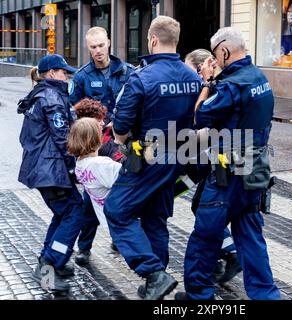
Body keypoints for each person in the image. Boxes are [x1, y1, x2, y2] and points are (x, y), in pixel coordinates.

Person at [176, 27, 281, 300]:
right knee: (250, 237)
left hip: (228, 175)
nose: (215, 60)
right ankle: (266, 295)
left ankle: (199, 295)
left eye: (215, 55)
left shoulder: (231, 86)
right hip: (254, 172)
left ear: (224, 51)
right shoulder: (259, 78)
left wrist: (208, 83)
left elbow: (201, 115)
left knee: (205, 235)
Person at [103, 16, 201, 300]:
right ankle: (155, 282)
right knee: (155, 218)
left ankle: (153, 273)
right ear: (176, 41)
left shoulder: (142, 76)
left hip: (147, 158)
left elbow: (121, 127)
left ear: (153, 40)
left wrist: (121, 139)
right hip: (180, 157)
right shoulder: (193, 77)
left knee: (117, 210)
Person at [17, 54, 85, 292]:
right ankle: (49, 265)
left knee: (63, 213)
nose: (67, 76)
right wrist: (73, 166)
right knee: (76, 212)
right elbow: (63, 137)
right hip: (50, 168)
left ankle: (53, 256)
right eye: (63, 72)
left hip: (44, 167)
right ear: (52, 73)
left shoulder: (41, 95)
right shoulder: (51, 96)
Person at [69, 27, 134, 264]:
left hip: (124, 141)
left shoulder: (128, 71)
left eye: (101, 45)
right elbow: (73, 112)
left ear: (109, 42)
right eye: (92, 47)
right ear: (88, 48)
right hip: (96, 144)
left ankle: (119, 237)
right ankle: (84, 247)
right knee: (91, 196)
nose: (97, 51)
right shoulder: (81, 77)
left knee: (124, 190)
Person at [185, 49, 242, 284]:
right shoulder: (216, 87)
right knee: (202, 208)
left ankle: (228, 255)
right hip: (217, 159)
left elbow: (202, 123)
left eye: (189, 71)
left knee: (205, 209)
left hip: (217, 160)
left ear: (201, 69)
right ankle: (223, 256)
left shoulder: (212, 89)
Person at [68, 117, 122, 234]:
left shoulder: (80, 164)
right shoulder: (101, 164)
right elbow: (132, 179)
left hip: (109, 221)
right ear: (96, 138)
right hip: (122, 220)